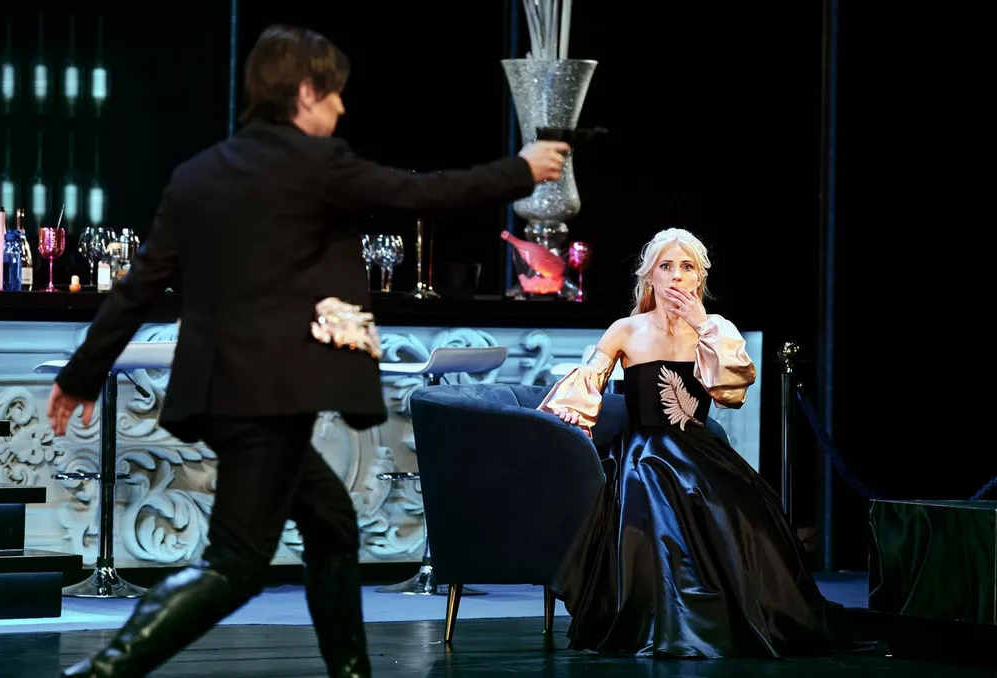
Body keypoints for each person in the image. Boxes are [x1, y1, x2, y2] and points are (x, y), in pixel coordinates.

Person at [48, 24, 569, 678]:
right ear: (303, 92)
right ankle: (103, 673)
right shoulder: (316, 165)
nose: (342, 107)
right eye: (334, 94)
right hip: (268, 400)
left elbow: (139, 288)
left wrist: (81, 374)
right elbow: (426, 194)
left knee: (332, 526)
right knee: (237, 564)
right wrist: (522, 169)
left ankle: (351, 672)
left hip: (221, 394)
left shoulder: (197, 175)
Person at [538, 228, 841, 658]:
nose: (677, 276)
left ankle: (730, 616)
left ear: (699, 278)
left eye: (687, 267)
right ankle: (659, 621)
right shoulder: (627, 330)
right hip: (644, 451)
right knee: (653, 486)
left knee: (736, 502)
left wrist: (702, 325)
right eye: (666, 266)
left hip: (699, 446)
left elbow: (731, 392)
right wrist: (574, 408)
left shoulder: (715, 330)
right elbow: (588, 380)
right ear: (650, 276)